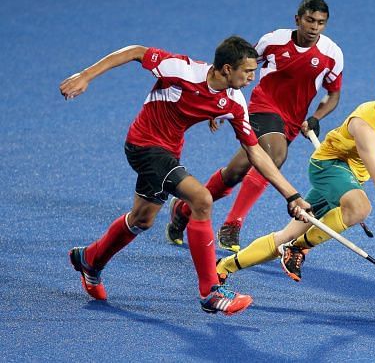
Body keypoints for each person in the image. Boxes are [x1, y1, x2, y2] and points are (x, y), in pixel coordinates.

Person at [59, 36, 311, 315]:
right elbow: (134, 51)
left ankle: (89, 259)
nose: (253, 77)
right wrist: (85, 76)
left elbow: (256, 152)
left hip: (169, 152)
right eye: (248, 71)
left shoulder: (234, 101)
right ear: (227, 69)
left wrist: (292, 195)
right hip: (144, 145)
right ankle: (211, 291)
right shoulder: (182, 70)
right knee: (201, 199)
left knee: (142, 219)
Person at [165, 0, 343, 252]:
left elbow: (333, 94)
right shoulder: (273, 41)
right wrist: (216, 101)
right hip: (263, 106)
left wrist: (316, 117)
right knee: (275, 154)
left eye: (321, 23)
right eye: (310, 20)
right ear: (298, 19)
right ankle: (232, 224)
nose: (315, 27)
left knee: (237, 171)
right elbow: (237, 67)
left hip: (291, 122)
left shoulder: (332, 54)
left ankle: (183, 208)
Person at [215, 68, 375, 285]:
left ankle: (224, 266)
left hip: (350, 177)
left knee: (285, 235)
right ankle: (298, 247)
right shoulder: (364, 125)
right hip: (328, 167)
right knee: (359, 208)